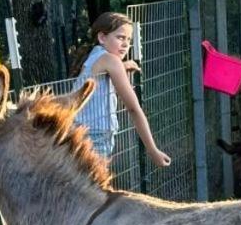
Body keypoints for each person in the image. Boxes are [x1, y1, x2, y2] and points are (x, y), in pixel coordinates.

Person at [71, 12, 171, 167]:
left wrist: (123, 68)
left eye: (129, 40)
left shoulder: (96, 55)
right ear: (102, 37)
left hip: (79, 132)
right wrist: (152, 150)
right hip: (95, 138)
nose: (126, 44)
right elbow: (133, 108)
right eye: (120, 38)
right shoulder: (110, 60)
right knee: (94, 188)